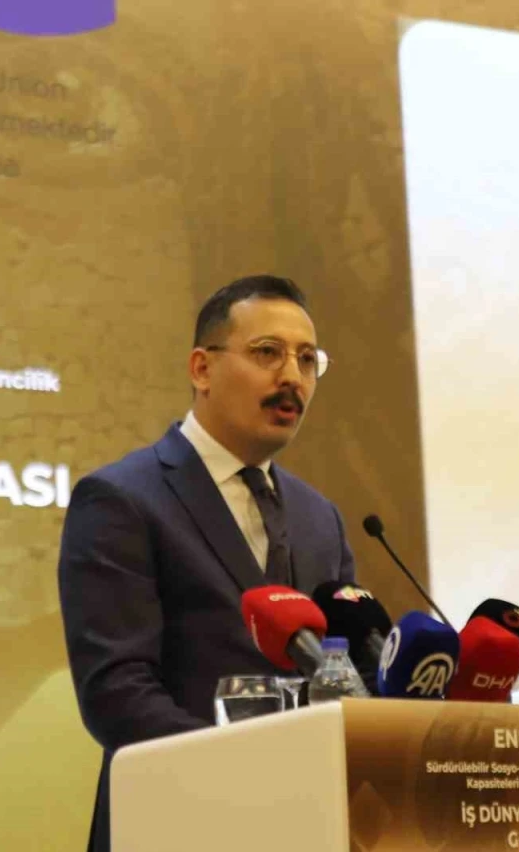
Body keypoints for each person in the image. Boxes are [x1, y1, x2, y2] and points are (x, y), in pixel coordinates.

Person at [57, 275, 356, 852]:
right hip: (174, 823)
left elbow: (341, 673)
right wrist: (246, 777)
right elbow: (116, 693)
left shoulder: (321, 517)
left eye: (307, 360)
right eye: (267, 353)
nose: (292, 377)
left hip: (309, 827)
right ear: (202, 369)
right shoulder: (121, 499)